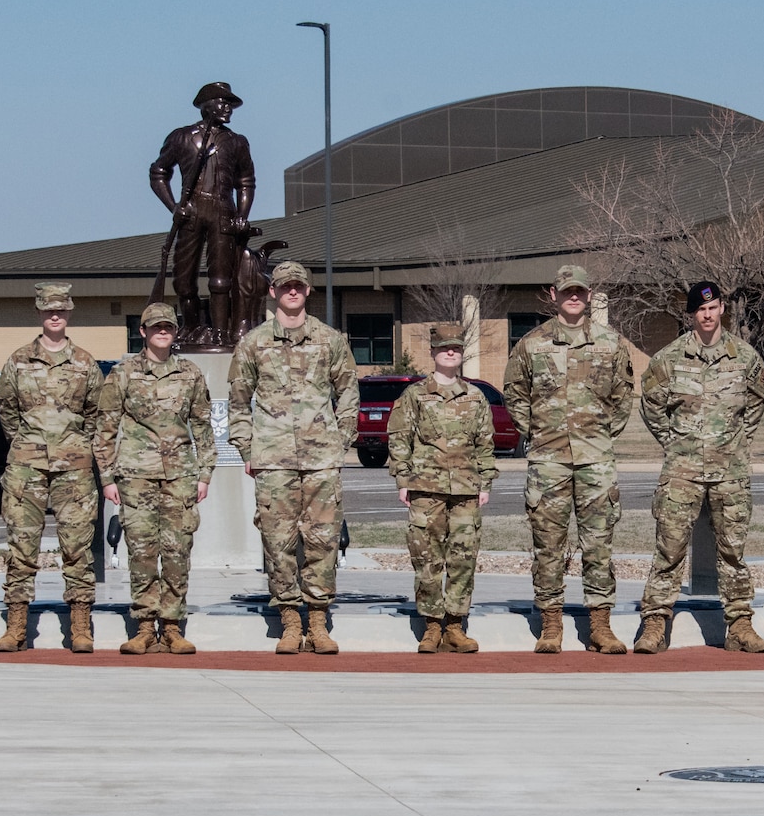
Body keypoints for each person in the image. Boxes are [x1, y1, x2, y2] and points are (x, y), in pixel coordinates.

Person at [501, 265, 637, 655]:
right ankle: (551, 624)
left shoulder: (611, 343)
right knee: (548, 544)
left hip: (596, 460)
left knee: (599, 544)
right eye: (566, 291)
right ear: (553, 294)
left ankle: (600, 625)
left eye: (579, 290)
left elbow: (623, 397)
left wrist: (598, 435)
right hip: (549, 462)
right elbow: (514, 394)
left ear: (589, 294)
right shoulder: (532, 344)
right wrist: (541, 434)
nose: (573, 296)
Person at [228, 260, 358, 655]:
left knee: (322, 540)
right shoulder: (253, 343)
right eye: (285, 286)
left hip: (321, 459)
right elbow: (237, 401)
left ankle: (317, 621)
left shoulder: (331, 340)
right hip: (273, 459)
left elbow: (349, 393)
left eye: (298, 286)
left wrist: (340, 441)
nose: (292, 292)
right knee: (277, 541)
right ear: (273, 292)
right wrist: (248, 449)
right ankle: (288, 619)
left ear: (307, 290)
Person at [639, 279, 764, 655]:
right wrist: (676, 442)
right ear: (692, 315)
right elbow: (651, 406)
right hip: (682, 471)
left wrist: (735, 441)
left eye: (713, 309)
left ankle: (740, 625)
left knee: (732, 551)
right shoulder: (669, 358)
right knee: (669, 548)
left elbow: (756, 403)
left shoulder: (745, 357)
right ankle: (654, 624)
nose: (708, 315)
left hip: (730, 471)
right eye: (701, 310)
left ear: (722, 309)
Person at [95, 300, 214, 655]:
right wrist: (107, 477)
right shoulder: (123, 373)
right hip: (136, 477)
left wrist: (204, 474)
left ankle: (173, 626)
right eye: (155, 326)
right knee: (142, 552)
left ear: (175, 332)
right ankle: (145, 626)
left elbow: (203, 427)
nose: (163, 331)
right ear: (143, 331)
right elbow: (105, 427)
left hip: (179, 476)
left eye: (169, 326)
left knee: (178, 551)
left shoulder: (190, 373)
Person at [0, 282, 104, 653]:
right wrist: (28, 445)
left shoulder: (86, 363)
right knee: (21, 546)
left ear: (69, 313)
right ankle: (16, 626)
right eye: (48, 310)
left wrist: (74, 447)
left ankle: (80, 625)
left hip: (74, 469)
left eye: (61, 310)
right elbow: (7, 411)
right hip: (26, 468)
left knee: (77, 547)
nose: (54, 315)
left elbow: (94, 415)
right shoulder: (18, 360)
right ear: (39, 313)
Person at [386, 322, 498, 653]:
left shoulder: (475, 397)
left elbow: (485, 443)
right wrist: (403, 480)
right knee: (427, 558)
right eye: (445, 348)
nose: (451, 352)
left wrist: (485, 481)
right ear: (433, 353)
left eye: (457, 348)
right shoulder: (415, 396)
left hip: (466, 489)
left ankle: (455, 625)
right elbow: (399, 438)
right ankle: (431, 625)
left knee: (463, 558)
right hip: (425, 487)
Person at [149, 82, 258, 345]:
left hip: (222, 212)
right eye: (222, 103)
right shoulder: (181, 137)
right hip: (191, 213)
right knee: (183, 280)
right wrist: (174, 206)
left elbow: (246, 181)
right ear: (206, 105)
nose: (228, 109)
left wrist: (242, 214)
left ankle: (220, 332)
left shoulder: (236, 142)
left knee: (221, 280)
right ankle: (191, 327)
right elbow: (158, 172)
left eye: (230, 104)